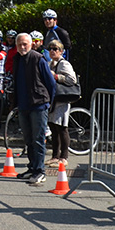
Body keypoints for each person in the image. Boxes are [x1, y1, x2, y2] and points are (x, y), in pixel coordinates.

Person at [12, 32, 56, 185]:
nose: (22, 47)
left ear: (31, 44)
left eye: (25, 44)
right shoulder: (17, 59)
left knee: (38, 139)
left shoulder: (38, 59)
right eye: (19, 44)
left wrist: (49, 103)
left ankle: (40, 171)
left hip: (38, 104)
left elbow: (51, 83)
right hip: (23, 105)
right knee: (28, 139)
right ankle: (32, 168)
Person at [47, 39, 77, 168]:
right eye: (50, 49)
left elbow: (72, 80)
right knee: (53, 127)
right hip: (53, 99)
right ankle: (55, 156)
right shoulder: (50, 64)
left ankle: (64, 157)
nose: (52, 51)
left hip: (62, 99)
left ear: (61, 51)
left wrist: (56, 76)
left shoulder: (64, 64)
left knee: (62, 128)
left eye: (55, 49)